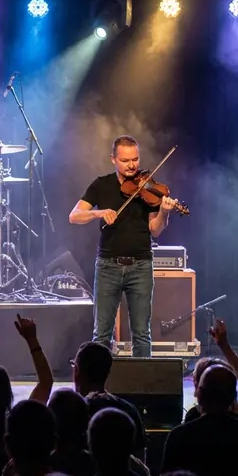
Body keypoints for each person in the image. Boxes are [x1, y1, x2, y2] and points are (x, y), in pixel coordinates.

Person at [69, 135, 177, 358]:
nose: (132, 165)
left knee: (141, 334)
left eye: (135, 159)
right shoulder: (101, 185)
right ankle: (97, 387)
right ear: (113, 159)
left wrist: (165, 212)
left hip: (141, 266)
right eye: (126, 160)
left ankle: (142, 388)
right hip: (108, 265)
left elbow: (155, 230)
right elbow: (74, 216)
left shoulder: (148, 189)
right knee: (101, 334)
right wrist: (99, 212)